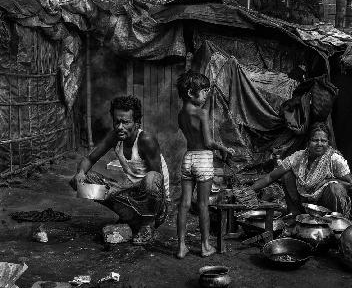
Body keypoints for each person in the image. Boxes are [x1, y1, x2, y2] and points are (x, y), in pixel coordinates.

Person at [70, 95, 170, 245]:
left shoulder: (146, 140)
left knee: (150, 179)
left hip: (154, 201)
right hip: (131, 194)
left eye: (125, 122)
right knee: (81, 184)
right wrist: (80, 173)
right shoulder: (115, 136)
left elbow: (157, 179)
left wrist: (118, 189)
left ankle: (148, 223)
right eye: (117, 122)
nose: (120, 127)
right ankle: (130, 216)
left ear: (136, 123)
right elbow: (90, 159)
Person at [176, 71, 234, 259]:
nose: (207, 94)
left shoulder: (181, 114)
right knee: (202, 204)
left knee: (184, 203)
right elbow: (208, 143)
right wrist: (223, 147)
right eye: (204, 91)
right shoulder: (201, 113)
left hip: (188, 158)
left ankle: (181, 247)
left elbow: (192, 134)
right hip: (203, 160)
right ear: (192, 93)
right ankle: (205, 246)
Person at [249, 122, 352, 217]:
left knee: (335, 187)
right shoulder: (298, 157)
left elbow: (350, 183)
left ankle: (336, 221)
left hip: (326, 204)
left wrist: (328, 181)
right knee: (287, 175)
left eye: (323, 141)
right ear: (308, 142)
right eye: (315, 140)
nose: (319, 144)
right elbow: (271, 177)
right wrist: (249, 191)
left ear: (328, 142)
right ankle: (295, 214)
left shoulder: (334, 159)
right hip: (305, 202)